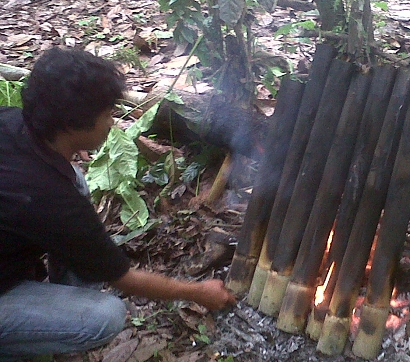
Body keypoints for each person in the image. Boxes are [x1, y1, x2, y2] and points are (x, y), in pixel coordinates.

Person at [0, 48, 236, 361]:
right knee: (106, 316)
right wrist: (196, 292)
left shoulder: (12, 121)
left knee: (76, 179)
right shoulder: (51, 197)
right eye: (107, 115)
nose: (112, 123)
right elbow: (122, 278)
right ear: (73, 125)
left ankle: (55, 297)